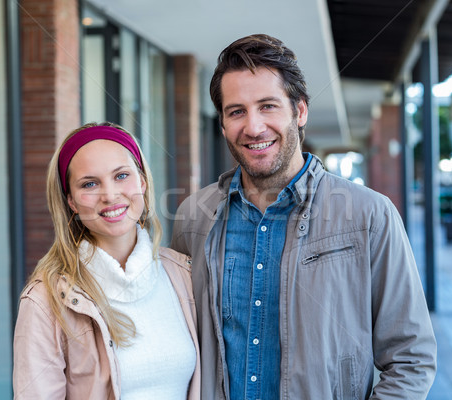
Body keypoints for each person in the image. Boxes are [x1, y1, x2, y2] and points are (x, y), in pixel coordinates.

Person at [171, 34, 436, 399]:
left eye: (268, 106)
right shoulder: (193, 219)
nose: (253, 127)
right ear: (222, 124)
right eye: (236, 111)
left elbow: (410, 357)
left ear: (300, 111)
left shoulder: (369, 215)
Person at [13, 122, 200, 399]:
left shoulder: (183, 273)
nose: (110, 195)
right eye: (90, 184)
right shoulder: (45, 300)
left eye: (121, 176)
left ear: (143, 183)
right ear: (72, 202)